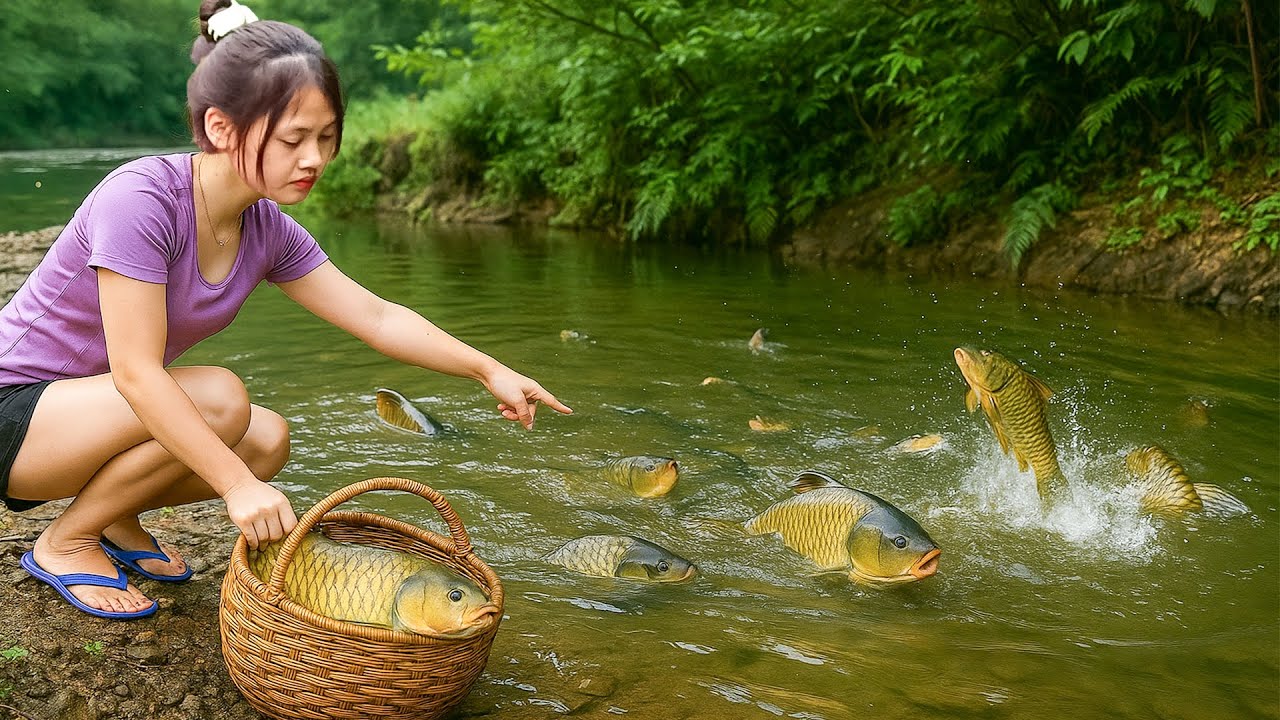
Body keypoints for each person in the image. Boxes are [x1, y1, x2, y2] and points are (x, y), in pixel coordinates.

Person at [0, 0, 570, 620]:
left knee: (266, 439)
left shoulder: (265, 228)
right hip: (18, 413)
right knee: (221, 400)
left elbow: (377, 317)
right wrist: (236, 488)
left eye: (326, 138)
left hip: (91, 416)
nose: (315, 159)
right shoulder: (141, 200)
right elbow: (137, 373)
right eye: (293, 139)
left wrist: (489, 370)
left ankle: (112, 517)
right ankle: (67, 540)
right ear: (221, 128)